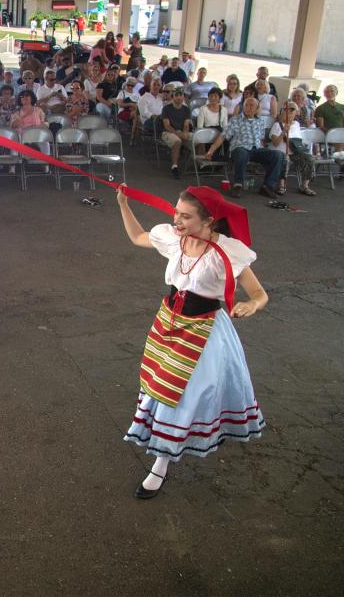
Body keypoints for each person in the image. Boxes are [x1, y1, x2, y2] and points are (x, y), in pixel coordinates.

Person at [116, 185, 266, 499]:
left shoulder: (227, 252)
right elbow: (138, 237)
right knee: (161, 387)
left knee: (181, 395)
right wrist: (123, 205)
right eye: (176, 212)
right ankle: (163, 448)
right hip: (169, 322)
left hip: (204, 330)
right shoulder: (175, 239)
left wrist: (251, 305)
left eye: (185, 216)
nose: (176, 219)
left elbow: (259, 294)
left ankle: (160, 465)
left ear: (209, 220)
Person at [204, 97, 283, 198]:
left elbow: (261, 139)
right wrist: (211, 150)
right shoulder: (235, 120)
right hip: (240, 148)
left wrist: (263, 148)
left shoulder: (260, 121)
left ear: (257, 108)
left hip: (256, 149)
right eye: (246, 105)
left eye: (251, 105)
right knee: (242, 152)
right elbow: (223, 136)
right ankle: (238, 184)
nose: (248, 108)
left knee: (277, 155)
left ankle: (267, 186)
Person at [270, 101, 317, 196]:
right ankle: (281, 185)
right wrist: (283, 131)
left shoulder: (296, 124)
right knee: (285, 159)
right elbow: (275, 143)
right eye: (286, 109)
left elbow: (299, 140)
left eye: (292, 109)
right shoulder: (277, 125)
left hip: (294, 152)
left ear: (297, 112)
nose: (289, 111)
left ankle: (304, 186)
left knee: (309, 158)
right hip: (280, 152)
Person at [161, 88, 193, 177]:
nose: (179, 97)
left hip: (181, 131)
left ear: (183, 96)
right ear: (172, 97)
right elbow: (167, 125)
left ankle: (198, 164)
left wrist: (185, 133)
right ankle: (174, 166)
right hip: (169, 132)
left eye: (181, 95)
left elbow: (186, 124)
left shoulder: (186, 109)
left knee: (197, 138)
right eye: (176, 95)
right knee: (177, 141)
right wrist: (177, 133)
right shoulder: (166, 108)